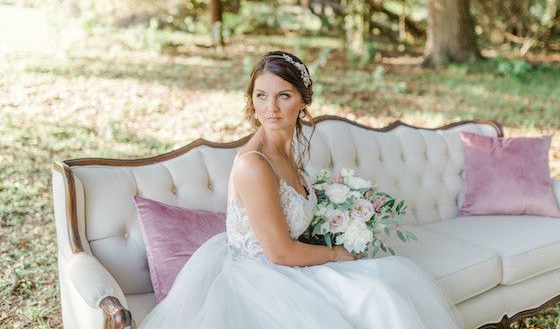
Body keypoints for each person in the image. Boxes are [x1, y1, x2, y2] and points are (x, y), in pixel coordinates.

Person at [140, 51, 464, 328]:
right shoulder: (253, 165)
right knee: (374, 295)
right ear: (251, 101)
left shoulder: (289, 150)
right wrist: (337, 254)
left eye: (284, 95)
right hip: (260, 276)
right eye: (261, 95)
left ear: (302, 101)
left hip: (287, 265)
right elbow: (280, 252)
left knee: (387, 284)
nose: (271, 108)